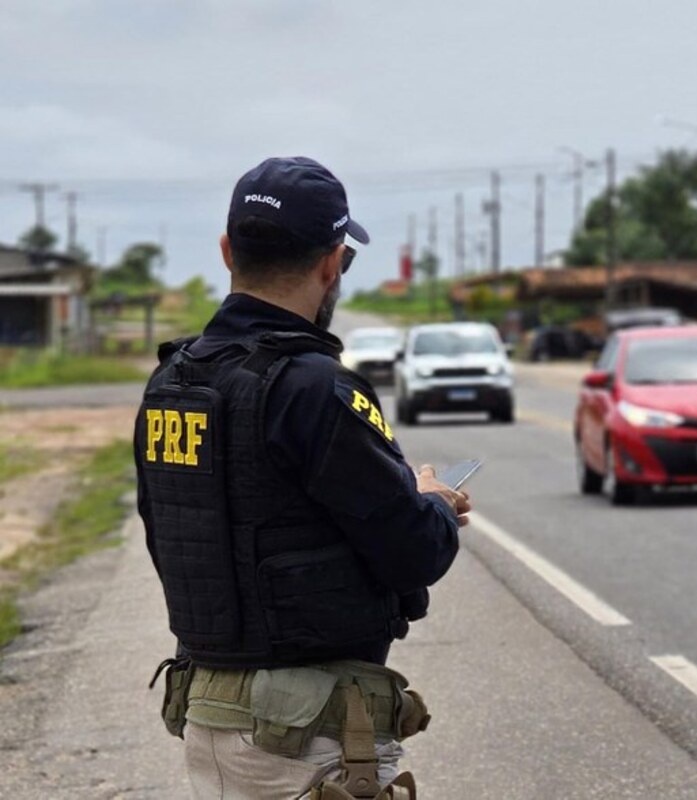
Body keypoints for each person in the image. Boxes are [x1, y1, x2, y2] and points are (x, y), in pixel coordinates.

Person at [135, 156, 468, 799]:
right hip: (310, 739)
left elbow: (172, 534)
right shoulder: (315, 388)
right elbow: (413, 551)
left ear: (228, 251)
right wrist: (430, 502)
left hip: (210, 715)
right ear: (331, 263)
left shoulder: (173, 383)